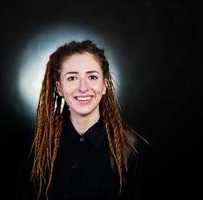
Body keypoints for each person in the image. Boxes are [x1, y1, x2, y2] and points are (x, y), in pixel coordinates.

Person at [18, 40, 148, 200]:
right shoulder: (38, 143)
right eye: (72, 78)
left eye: (92, 77)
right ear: (59, 88)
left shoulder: (128, 146)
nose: (83, 87)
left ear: (104, 85)